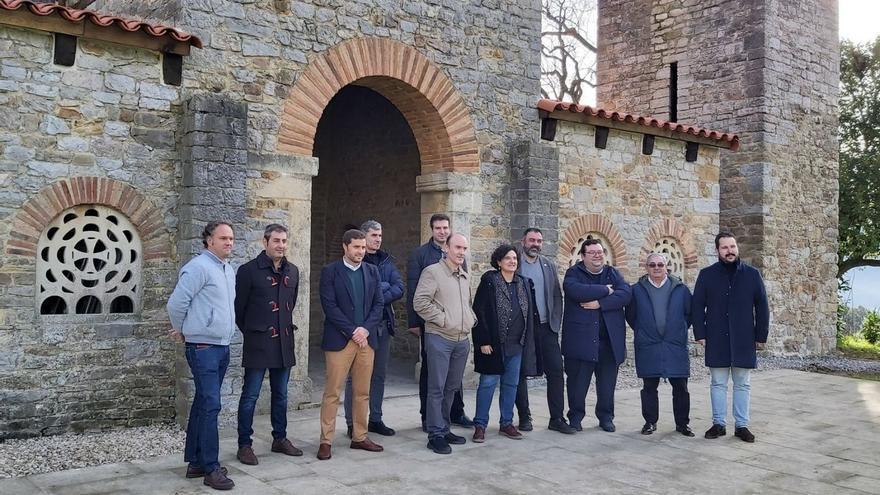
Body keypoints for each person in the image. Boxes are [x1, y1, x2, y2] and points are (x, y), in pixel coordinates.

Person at [166, 221, 237, 491]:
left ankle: (196, 462)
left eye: (231, 238)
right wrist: (183, 331)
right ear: (209, 241)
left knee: (203, 403)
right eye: (223, 238)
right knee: (211, 405)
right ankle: (210, 467)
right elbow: (176, 304)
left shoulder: (227, 269)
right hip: (203, 348)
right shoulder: (198, 267)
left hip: (221, 346)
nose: (229, 242)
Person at [234, 224, 303, 466]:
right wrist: (257, 332)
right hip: (257, 342)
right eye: (276, 241)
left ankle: (280, 438)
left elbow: (290, 304)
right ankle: (244, 445)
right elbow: (239, 311)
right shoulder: (248, 271)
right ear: (265, 242)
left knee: (281, 395)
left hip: (284, 343)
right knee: (250, 395)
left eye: (284, 241)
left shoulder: (293, 271)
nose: (281, 245)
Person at [693, 231, 769, 443]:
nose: (730, 251)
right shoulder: (706, 275)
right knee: (717, 383)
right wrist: (700, 333)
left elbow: (762, 306)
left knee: (742, 383)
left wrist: (761, 334)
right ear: (717, 251)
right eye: (725, 247)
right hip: (716, 336)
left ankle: (741, 425)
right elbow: (697, 306)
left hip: (744, 337)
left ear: (737, 248)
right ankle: (719, 424)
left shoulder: (752, 275)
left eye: (732, 247)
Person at [316, 229, 385, 460]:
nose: (361, 252)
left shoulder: (372, 271)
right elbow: (329, 305)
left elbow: (379, 304)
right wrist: (352, 330)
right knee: (332, 392)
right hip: (340, 340)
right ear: (345, 247)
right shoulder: (330, 272)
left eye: (363, 247)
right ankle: (326, 440)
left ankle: (359, 436)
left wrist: (365, 329)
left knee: (362, 392)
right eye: (356, 247)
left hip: (366, 340)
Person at [407, 214, 474, 430]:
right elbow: (417, 298)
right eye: (458, 248)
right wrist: (441, 320)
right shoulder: (427, 263)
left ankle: (447, 424)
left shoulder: (463, 271)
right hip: (438, 334)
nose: (461, 252)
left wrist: (470, 319)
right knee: (434, 383)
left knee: (452, 386)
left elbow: (465, 300)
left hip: (460, 337)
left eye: (464, 249)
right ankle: (433, 427)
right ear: (447, 248)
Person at [471, 244, 541, 442]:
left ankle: (506, 423)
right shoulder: (490, 281)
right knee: (488, 384)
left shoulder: (524, 283)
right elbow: (479, 311)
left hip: (516, 344)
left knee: (511, 384)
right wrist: (482, 340)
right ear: (499, 262)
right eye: (508, 258)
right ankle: (480, 425)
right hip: (493, 344)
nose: (512, 261)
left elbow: (530, 313)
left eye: (515, 259)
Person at [561, 238, 631, 432]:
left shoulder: (612, 273)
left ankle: (606, 417)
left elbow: (625, 293)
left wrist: (600, 303)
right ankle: (575, 418)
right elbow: (575, 290)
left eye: (600, 252)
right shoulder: (574, 273)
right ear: (583, 256)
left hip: (608, 341)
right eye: (592, 252)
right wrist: (606, 290)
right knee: (577, 384)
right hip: (581, 341)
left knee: (607, 384)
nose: (597, 255)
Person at [343, 220, 404, 438]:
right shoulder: (354, 260)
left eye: (380, 235)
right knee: (356, 377)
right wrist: (380, 291)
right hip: (360, 329)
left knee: (379, 375)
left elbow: (399, 288)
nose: (378, 239)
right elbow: (355, 292)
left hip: (383, 326)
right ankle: (352, 422)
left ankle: (375, 418)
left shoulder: (387, 261)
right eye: (374, 235)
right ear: (363, 236)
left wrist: (377, 295)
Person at [514, 228, 576, 434]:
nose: (536, 244)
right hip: (522, 330)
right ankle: (524, 417)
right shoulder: (515, 264)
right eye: (532, 240)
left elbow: (557, 296)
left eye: (539, 241)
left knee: (557, 371)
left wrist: (554, 322)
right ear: (523, 241)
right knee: (520, 372)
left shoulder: (548, 265)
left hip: (545, 327)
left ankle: (557, 418)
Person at [625, 253, 694, 437]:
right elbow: (631, 316)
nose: (656, 268)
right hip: (649, 344)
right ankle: (650, 422)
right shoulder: (637, 290)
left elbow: (689, 314)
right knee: (649, 387)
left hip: (674, 345)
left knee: (680, 387)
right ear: (646, 267)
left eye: (660, 265)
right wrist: (644, 330)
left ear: (666, 267)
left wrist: (677, 330)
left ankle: (682, 424)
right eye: (652, 265)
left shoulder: (680, 289)